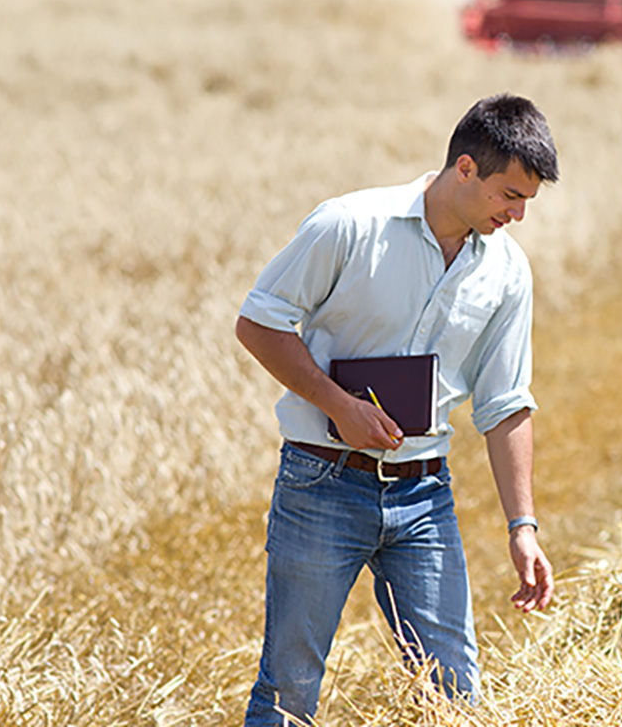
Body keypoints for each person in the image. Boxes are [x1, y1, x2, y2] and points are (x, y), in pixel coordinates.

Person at [234, 94, 557, 723]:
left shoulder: (509, 273)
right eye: (508, 195)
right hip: (320, 483)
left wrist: (524, 528)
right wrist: (336, 404)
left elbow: (506, 404)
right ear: (465, 168)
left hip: (424, 496)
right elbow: (259, 324)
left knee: (454, 694)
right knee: (290, 688)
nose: (518, 214)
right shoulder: (349, 225)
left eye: (527, 202)